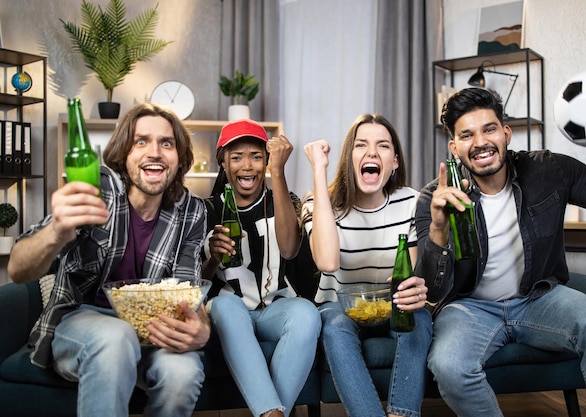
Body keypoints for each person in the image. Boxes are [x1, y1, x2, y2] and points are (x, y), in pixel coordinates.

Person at [416, 87, 586, 417]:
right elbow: (431, 290)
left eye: (489, 129)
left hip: (538, 298)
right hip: (469, 308)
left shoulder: (549, 170)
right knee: (449, 365)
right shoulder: (434, 198)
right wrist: (439, 228)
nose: (481, 142)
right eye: (467, 135)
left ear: (506, 133)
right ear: (454, 147)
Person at [7, 103, 210, 417]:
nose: (154, 152)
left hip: (152, 328)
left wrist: (203, 329)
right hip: (82, 320)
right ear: (123, 154)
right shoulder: (96, 190)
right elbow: (18, 270)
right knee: (117, 337)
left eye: (166, 143)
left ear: (179, 159)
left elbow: (189, 288)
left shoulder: (191, 210)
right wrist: (58, 230)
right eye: (141, 141)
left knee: (183, 374)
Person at [301, 114, 432, 417]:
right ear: (349, 157)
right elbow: (327, 261)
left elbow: (407, 276)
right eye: (361, 145)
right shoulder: (317, 203)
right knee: (334, 327)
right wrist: (319, 171)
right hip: (338, 307)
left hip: (391, 307)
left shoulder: (412, 203)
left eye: (383, 146)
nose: (372, 153)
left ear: (395, 161)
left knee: (420, 318)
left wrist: (413, 290)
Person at [202, 119, 321, 417]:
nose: (247, 166)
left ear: (267, 161)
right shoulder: (207, 210)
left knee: (306, 313)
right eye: (236, 157)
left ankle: (270, 413)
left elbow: (291, 248)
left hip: (274, 311)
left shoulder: (284, 200)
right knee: (226, 306)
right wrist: (214, 255)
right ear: (223, 163)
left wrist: (278, 172)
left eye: (256, 156)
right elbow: (196, 280)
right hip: (229, 314)